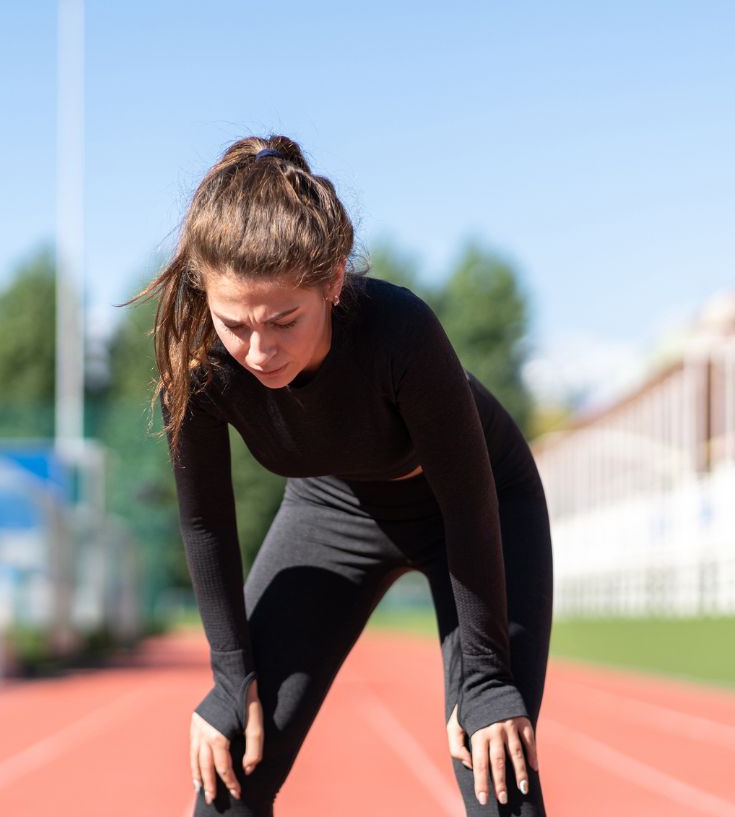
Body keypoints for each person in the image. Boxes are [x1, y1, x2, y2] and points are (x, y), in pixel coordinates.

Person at [129, 134, 553, 816]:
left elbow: (470, 502)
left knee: (496, 769)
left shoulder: (401, 332)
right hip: (333, 506)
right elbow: (206, 518)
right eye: (236, 322)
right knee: (229, 773)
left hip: (475, 508)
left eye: (284, 320)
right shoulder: (201, 362)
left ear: (333, 281)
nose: (259, 350)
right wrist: (229, 678)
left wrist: (485, 677)